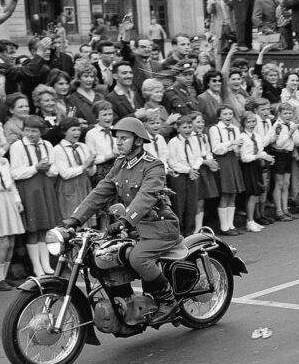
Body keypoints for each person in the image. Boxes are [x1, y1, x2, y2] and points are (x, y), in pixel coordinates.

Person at [61, 117, 183, 323]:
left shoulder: (153, 165)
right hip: (133, 228)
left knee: (138, 258)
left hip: (159, 228)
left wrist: (126, 221)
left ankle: (168, 301)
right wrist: (75, 219)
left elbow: (147, 196)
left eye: (124, 138)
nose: (118, 142)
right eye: (117, 138)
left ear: (137, 141)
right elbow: (100, 192)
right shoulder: (120, 164)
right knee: (104, 254)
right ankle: (122, 299)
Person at [9, 116, 60, 277]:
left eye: (35, 131)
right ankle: (36, 266)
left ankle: (46, 265)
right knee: (33, 229)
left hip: (44, 187)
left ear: (41, 132)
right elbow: (15, 173)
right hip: (29, 189)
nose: (31, 134)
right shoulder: (17, 146)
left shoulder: (47, 145)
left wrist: (47, 169)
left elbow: (55, 171)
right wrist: (35, 167)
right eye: (28, 130)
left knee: (45, 228)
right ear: (23, 130)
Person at [0, 136, 25, 289]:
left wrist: (17, 200)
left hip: (7, 200)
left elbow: (11, 184)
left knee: (11, 241)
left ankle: (4, 276)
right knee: (3, 241)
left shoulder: (4, 162)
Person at [209, 104, 246, 236]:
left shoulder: (235, 128)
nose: (228, 116)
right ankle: (224, 227)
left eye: (230, 114)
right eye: (225, 114)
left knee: (233, 193)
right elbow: (216, 149)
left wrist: (238, 146)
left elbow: (237, 148)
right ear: (219, 116)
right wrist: (231, 143)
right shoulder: (215, 129)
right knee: (226, 193)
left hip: (233, 160)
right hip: (223, 161)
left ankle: (231, 224)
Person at [52, 117, 95, 220]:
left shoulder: (83, 147)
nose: (77, 133)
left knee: (86, 217)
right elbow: (65, 174)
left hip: (84, 185)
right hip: (68, 188)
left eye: (78, 129)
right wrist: (84, 166)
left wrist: (91, 166)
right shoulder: (58, 149)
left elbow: (91, 173)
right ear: (64, 132)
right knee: (72, 217)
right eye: (73, 130)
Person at [166, 113, 201, 236]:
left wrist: (194, 169)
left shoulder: (194, 140)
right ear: (178, 128)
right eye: (184, 127)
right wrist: (188, 170)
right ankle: (178, 234)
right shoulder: (173, 142)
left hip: (193, 175)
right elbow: (172, 162)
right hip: (179, 176)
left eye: (190, 127)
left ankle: (190, 233)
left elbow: (198, 157)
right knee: (179, 206)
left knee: (192, 205)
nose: (188, 130)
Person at [269, 101, 299, 221]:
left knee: (286, 184)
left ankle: (285, 209)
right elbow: (279, 143)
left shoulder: (292, 124)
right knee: (279, 184)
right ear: (280, 113)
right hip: (279, 155)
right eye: (285, 113)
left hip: (288, 155)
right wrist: (290, 132)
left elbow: (296, 142)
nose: (288, 115)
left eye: (290, 113)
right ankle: (279, 211)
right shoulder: (278, 126)